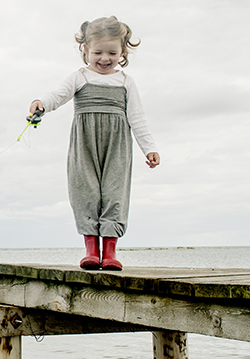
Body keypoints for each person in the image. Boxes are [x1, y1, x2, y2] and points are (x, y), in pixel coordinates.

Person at [29, 16, 160, 271]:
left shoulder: (125, 82)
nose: (104, 58)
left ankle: (110, 252)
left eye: (112, 52)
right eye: (98, 52)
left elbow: (138, 117)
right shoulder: (80, 77)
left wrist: (150, 147)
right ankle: (91, 250)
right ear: (86, 49)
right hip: (84, 144)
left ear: (123, 52)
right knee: (84, 190)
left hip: (117, 145)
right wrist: (42, 102)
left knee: (115, 191)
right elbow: (58, 95)